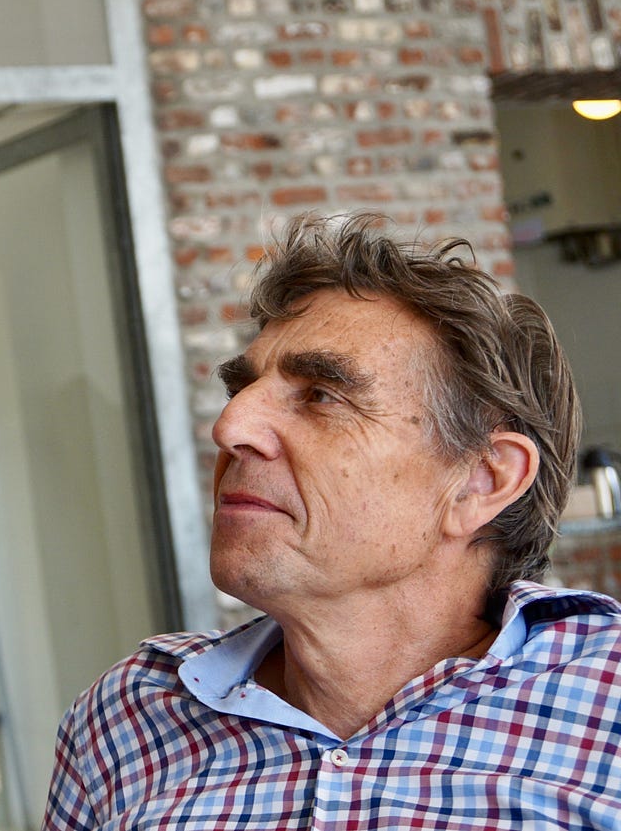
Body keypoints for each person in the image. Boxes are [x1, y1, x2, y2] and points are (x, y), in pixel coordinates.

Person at [44, 213, 621, 830]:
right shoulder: (125, 721)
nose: (230, 428)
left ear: (482, 481)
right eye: (242, 390)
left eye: (322, 395)